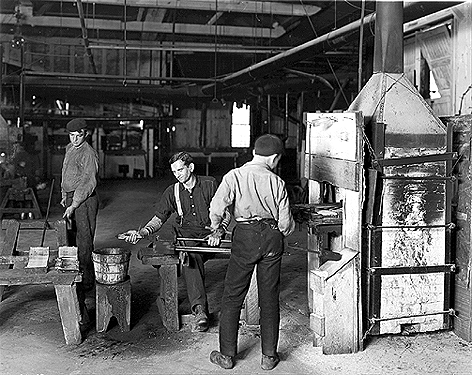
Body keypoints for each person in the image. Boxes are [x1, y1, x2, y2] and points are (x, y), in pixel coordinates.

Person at [208, 134, 295, 371]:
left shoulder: (234, 176)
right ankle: (269, 356)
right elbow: (286, 225)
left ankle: (227, 355)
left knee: (233, 295)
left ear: (254, 153)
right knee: (269, 297)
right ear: (275, 158)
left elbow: (217, 207)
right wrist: (276, 233)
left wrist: (217, 227)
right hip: (271, 237)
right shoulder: (277, 182)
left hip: (244, 237)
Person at [123, 151, 231, 332]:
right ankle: (189, 306)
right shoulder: (172, 191)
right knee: (178, 254)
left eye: (180, 170)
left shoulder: (210, 184)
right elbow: (159, 218)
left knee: (190, 256)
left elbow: (225, 212)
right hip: (185, 237)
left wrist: (219, 231)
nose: (177, 175)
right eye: (174, 172)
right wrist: (141, 232)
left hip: (209, 238)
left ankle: (199, 310)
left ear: (191, 167)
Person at [61, 118, 99, 299]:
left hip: (84, 200)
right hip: (71, 198)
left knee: (84, 241)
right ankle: (75, 277)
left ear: (86, 134)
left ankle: (87, 282)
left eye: (78, 136)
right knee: (71, 238)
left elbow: (87, 182)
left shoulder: (88, 153)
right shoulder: (69, 149)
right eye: (71, 135)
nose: (75, 139)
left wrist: (73, 205)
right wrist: (64, 197)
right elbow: (65, 174)